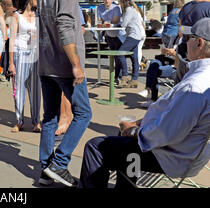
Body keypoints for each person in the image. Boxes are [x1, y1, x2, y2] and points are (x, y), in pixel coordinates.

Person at [79, 17, 210, 188]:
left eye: (187, 39)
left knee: (96, 147)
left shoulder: (196, 85)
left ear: (199, 43)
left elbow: (166, 133)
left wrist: (135, 131)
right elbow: (175, 119)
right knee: (122, 143)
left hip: (170, 156)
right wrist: (139, 124)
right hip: (182, 152)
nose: (184, 43)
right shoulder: (200, 79)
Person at [37, 0, 92, 187]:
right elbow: (66, 28)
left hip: (46, 63)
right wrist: (76, 64)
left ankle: (45, 170)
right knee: (84, 113)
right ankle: (59, 163)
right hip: (64, 65)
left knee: (50, 117)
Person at [7, 0, 41, 133]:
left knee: (35, 90)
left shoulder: (38, 16)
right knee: (19, 89)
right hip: (20, 54)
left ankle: (36, 121)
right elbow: (12, 39)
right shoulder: (16, 16)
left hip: (35, 55)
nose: (37, 0)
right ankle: (19, 120)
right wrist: (10, 63)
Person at [176, 0, 210, 83]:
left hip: (185, 58)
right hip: (203, 63)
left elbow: (180, 33)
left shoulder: (185, 8)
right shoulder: (208, 8)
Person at [115, 0, 145, 88]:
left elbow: (123, 24)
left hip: (133, 35)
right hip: (136, 35)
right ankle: (134, 80)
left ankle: (124, 77)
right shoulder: (131, 9)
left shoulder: (128, 10)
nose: (118, 0)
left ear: (123, 0)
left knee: (120, 53)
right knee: (134, 58)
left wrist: (115, 22)